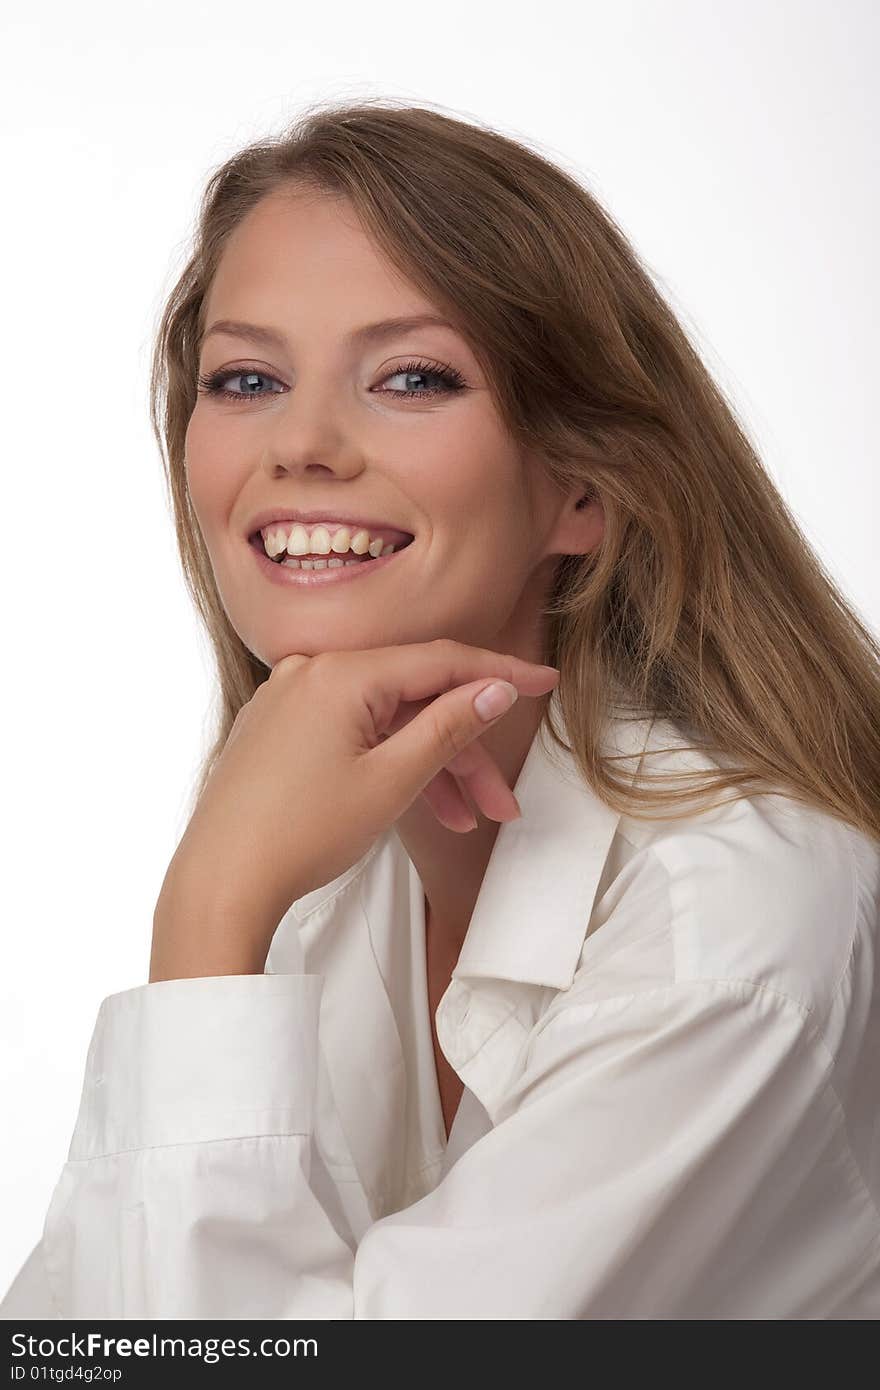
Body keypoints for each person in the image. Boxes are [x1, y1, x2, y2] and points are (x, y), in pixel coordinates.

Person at [2, 98, 879, 1321]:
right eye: (246, 377)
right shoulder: (335, 856)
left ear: (582, 489)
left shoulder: (725, 943)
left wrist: (208, 914)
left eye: (411, 377)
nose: (302, 442)